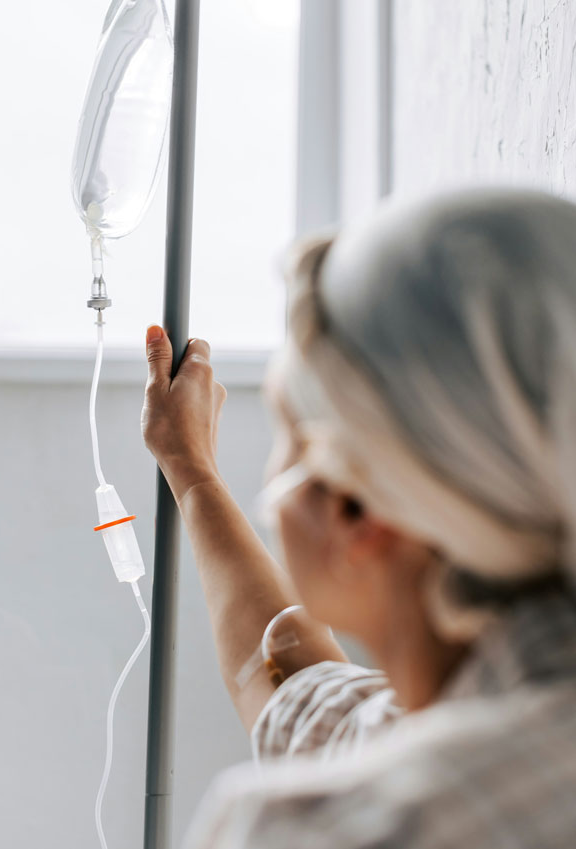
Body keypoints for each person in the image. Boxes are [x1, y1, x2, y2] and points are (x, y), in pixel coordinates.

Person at [141, 188, 576, 848]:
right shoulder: (492, 695)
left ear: (354, 510)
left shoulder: (342, 827)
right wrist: (190, 470)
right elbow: (302, 697)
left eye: (287, 428)